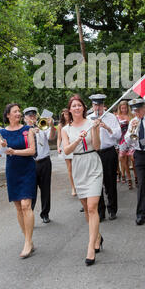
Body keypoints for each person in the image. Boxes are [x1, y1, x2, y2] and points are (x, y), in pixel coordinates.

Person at [61, 94, 102, 266]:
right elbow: (67, 151)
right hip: (78, 166)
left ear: (84, 108)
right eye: (74, 106)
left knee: (93, 207)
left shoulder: (91, 123)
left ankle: (90, 247)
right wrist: (78, 138)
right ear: (69, 110)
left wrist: (94, 129)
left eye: (79, 105)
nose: (77, 108)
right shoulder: (66, 130)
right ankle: (98, 236)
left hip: (93, 163)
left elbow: (98, 146)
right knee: (86, 208)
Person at [0, 103, 36, 259]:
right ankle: (27, 238)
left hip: (27, 170)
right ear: (8, 115)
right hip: (12, 171)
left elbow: (32, 150)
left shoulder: (27, 130)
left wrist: (14, 151)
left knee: (26, 205)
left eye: (19, 111)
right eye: (15, 111)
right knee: (19, 207)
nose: (18, 113)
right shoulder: (2, 133)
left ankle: (28, 241)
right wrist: (3, 147)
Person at [88, 94, 121, 221]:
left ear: (103, 105)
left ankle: (112, 209)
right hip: (94, 153)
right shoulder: (88, 118)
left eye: (100, 105)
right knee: (96, 184)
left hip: (108, 152)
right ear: (92, 105)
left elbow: (118, 135)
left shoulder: (111, 117)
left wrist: (106, 127)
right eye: (96, 105)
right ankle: (100, 211)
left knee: (110, 182)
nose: (98, 108)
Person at [23, 107, 56, 224]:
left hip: (44, 161)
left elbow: (51, 137)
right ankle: (29, 214)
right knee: (31, 191)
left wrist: (51, 126)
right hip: (30, 163)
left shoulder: (43, 125)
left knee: (45, 189)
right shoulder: (23, 130)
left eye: (33, 115)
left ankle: (45, 213)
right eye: (29, 116)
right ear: (25, 118)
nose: (32, 118)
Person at [116, 100, 136, 189]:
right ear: (120, 108)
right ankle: (129, 179)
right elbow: (115, 129)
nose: (124, 110)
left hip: (131, 139)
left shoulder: (132, 115)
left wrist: (130, 123)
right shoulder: (117, 117)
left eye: (125, 108)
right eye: (122, 108)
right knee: (123, 159)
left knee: (133, 158)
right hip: (122, 139)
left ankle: (136, 177)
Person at [57, 108, 76, 196]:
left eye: (68, 114)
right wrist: (58, 147)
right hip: (65, 146)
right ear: (63, 115)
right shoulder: (61, 125)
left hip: (73, 145)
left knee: (76, 166)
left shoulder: (74, 122)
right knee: (69, 169)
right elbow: (59, 138)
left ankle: (78, 184)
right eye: (65, 114)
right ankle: (73, 187)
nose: (66, 116)